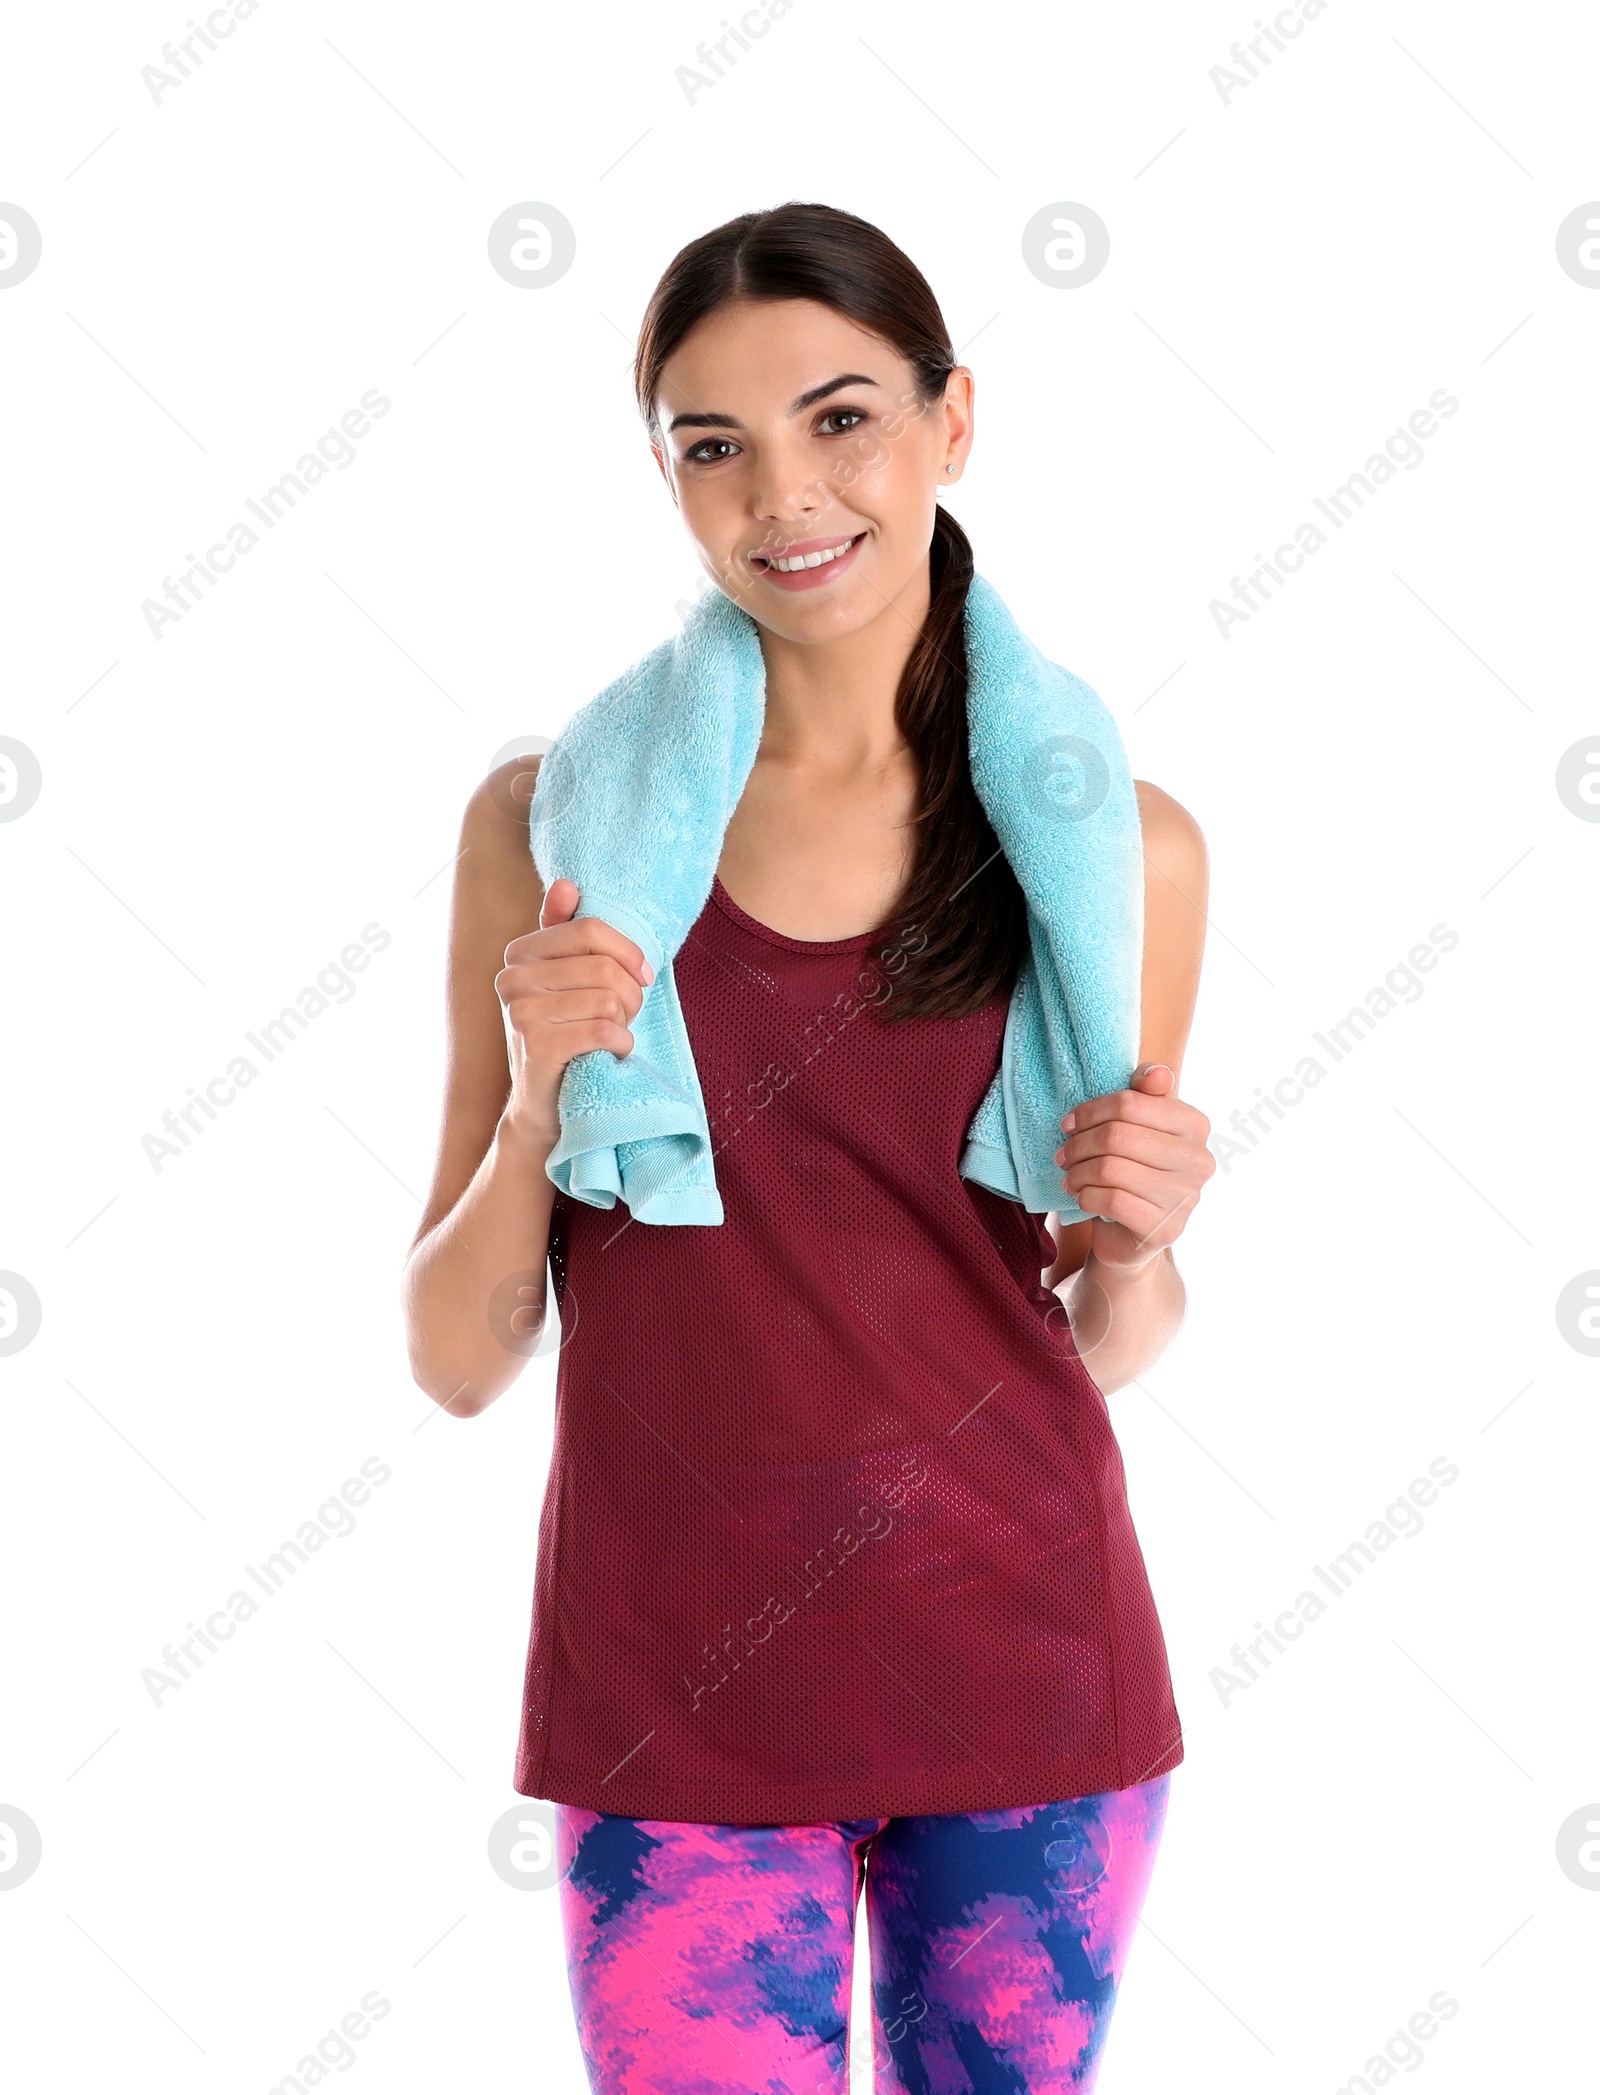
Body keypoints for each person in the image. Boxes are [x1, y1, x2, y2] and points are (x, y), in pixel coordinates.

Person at [403, 201, 1215, 2095]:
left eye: (841, 418)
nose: (786, 492)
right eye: (714, 444)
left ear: (952, 422)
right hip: (670, 1687)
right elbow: (454, 1359)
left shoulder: (1120, 849)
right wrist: (540, 1098)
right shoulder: (551, 831)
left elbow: (1100, 1336)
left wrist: (1150, 1243)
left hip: (1027, 1676)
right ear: (669, 473)